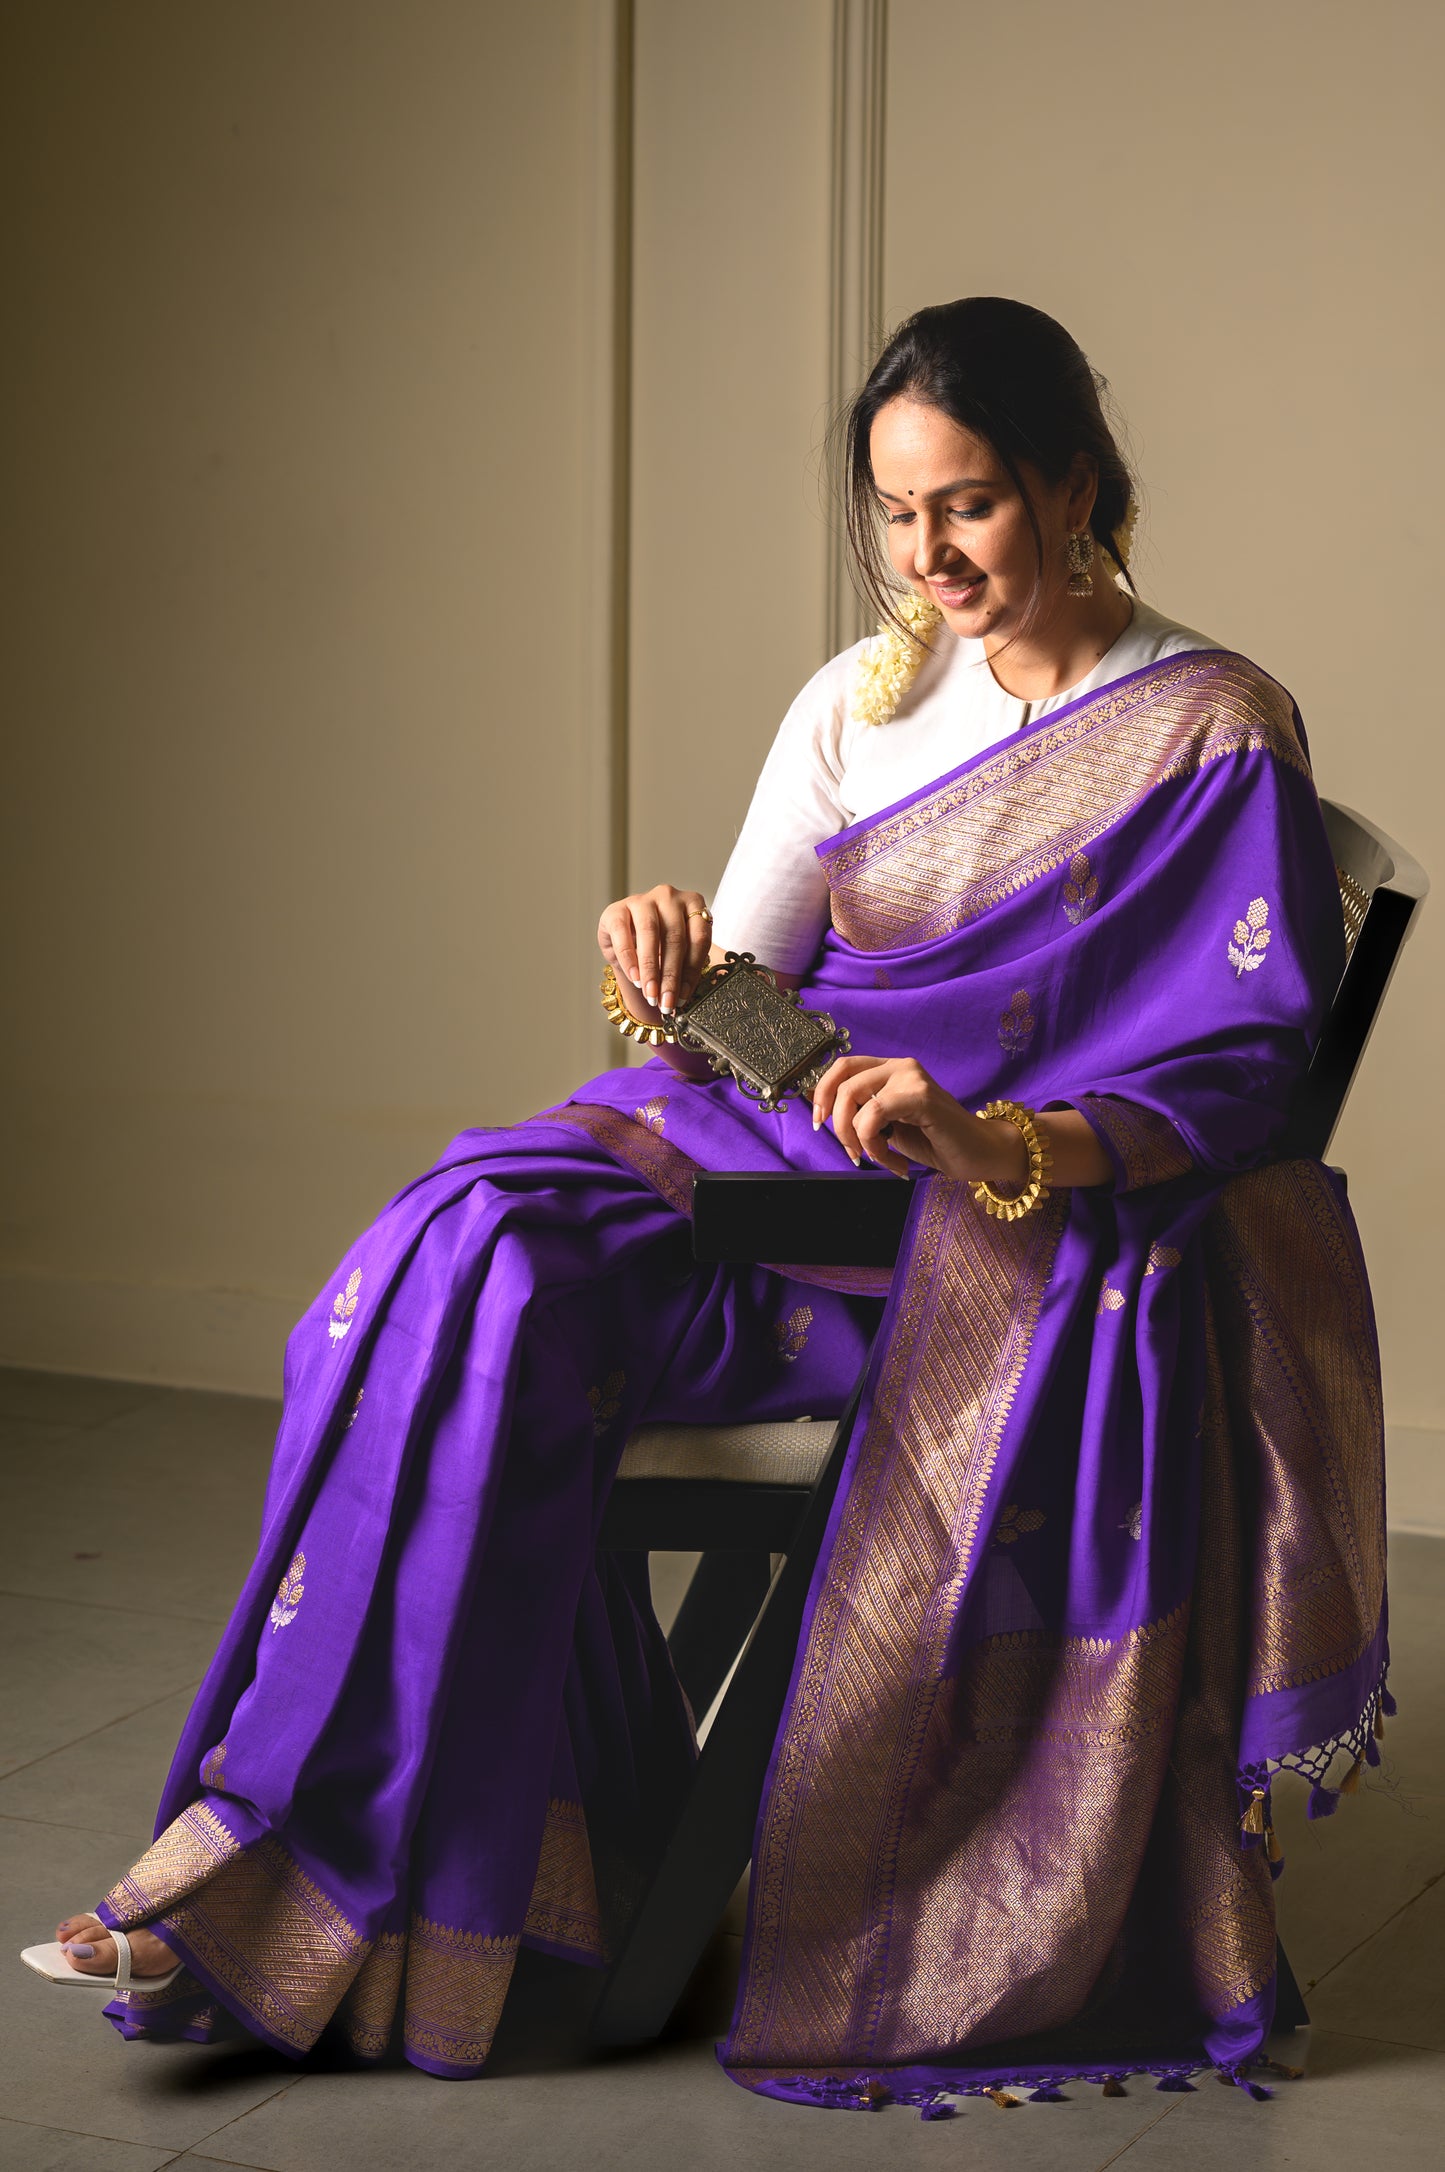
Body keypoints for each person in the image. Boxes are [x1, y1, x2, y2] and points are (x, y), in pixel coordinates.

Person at [28, 298, 1386, 2110]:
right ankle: (305, 1861)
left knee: (486, 1288)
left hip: (978, 1254)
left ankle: (312, 1886)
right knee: (461, 1256)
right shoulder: (860, 699)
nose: (929, 557)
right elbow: (740, 1012)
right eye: (894, 516)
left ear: (1073, 487)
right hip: (778, 1181)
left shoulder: (1210, 725)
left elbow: (1231, 1080)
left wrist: (991, 1139)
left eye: (967, 506)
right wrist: (658, 958)